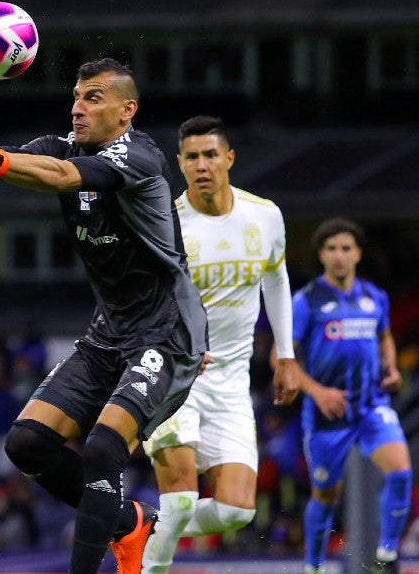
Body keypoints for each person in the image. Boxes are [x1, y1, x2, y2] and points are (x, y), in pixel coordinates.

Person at [0, 57, 208, 574]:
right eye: (77, 97)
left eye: (93, 98)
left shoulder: (140, 157)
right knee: (28, 444)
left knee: (105, 448)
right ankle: (129, 523)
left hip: (166, 332)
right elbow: (9, 163)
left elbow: (61, 177)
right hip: (109, 332)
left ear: (127, 110)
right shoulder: (62, 146)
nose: (77, 108)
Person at [140, 116, 301, 572]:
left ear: (229, 158)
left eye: (211, 154)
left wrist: (285, 354)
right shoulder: (164, 224)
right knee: (182, 501)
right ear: (180, 164)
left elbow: (276, 278)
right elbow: (142, 302)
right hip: (175, 377)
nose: (202, 165)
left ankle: (135, 524)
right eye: (192, 157)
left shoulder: (264, 215)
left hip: (231, 382)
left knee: (236, 510)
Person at [292, 218, 411, 574]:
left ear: (358, 253)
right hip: (328, 415)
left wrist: (390, 368)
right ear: (321, 255)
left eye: (346, 248)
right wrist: (318, 392)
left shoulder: (375, 297)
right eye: (331, 249)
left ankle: (386, 555)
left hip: (371, 405)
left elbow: (385, 336)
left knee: (402, 472)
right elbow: (283, 360)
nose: (339, 256)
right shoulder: (306, 301)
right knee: (325, 496)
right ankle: (313, 566)